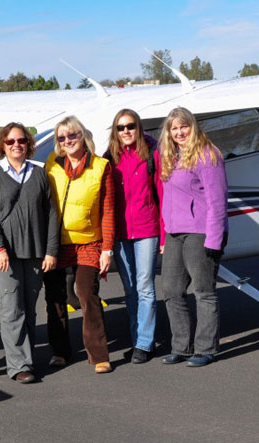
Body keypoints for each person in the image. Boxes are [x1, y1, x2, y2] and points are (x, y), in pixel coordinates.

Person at [0, 122, 59, 384]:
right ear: (3, 144)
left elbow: (51, 214)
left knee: (29, 308)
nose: (17, 145)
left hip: (35, 251)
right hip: (5, 254)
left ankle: (27, 358)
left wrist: (50, 251)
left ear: (29, 144)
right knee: (11, 309)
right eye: (11, 141)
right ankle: (18, 365)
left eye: (22, 141)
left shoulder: (38, 174)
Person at [44, 115, 115, 374]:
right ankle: (60, 352)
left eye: (72, 135)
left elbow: (107, 210)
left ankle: (98, 355)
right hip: (56, 242)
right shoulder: (52, 164)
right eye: (61, 138)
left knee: (87, 293)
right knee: (55, 297)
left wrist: (107, 248)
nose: (67, 141)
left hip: (88, 242)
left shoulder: (100, 166)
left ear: (82, 136)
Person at [159, 107, 228, 367]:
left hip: (201, 232)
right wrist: (165, 234)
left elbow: (217, 201)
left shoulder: (207, 154)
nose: (179, 132)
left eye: (183, 127)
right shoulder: (172, 156)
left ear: (192, 126)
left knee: (203, 291)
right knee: (171, 291)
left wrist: (214, 239)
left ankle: (206, 348)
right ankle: (181, 346)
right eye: (174, 128)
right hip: (175, 232)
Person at [103, 109, 163, 364]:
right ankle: (137, 337)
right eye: (120, 127)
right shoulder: (109, 158)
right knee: (130, 289)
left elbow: (162, 194)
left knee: (145, 286)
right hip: (121, 232)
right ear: (115, 132)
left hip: (147, 228)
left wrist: (163, 236)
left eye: (130, 126)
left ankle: (144, 344)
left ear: (138, 128)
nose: (126, 131)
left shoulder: (152, 154)